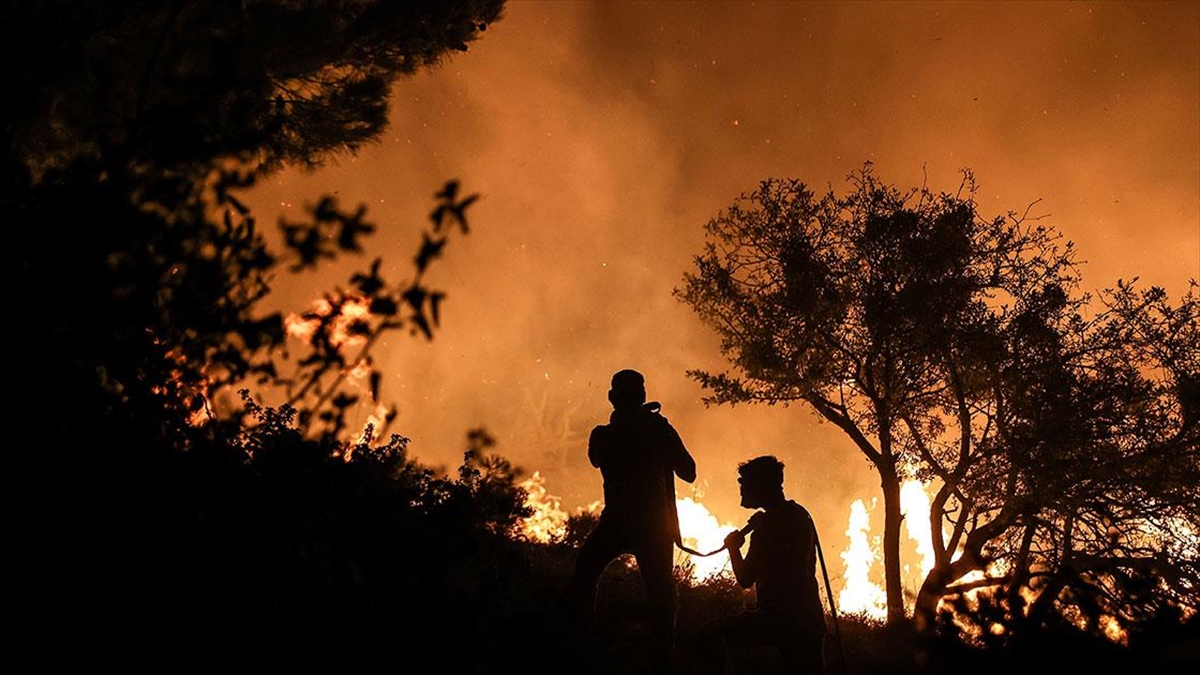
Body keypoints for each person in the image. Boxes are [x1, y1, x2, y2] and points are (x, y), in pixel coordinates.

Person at [565, 368, 697, 673]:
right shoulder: (652, 429)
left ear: (612, 398)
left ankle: (583, 643)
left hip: (623, 523)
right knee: (660, 592)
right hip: (649, 526)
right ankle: (661, 654)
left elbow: (599, 458)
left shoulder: (606, 434)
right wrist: (657, 435)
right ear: (642, 397)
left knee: (586, 574)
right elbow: (688, 471)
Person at [695, 455, 827, 674]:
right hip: (809, 619)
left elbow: (745, 579)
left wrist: (733, 547)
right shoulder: (799, 514)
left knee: (708, 637)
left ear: (761, 485)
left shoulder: (768, 526)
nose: (741, 487)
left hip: (778, 620)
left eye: (745, 482)